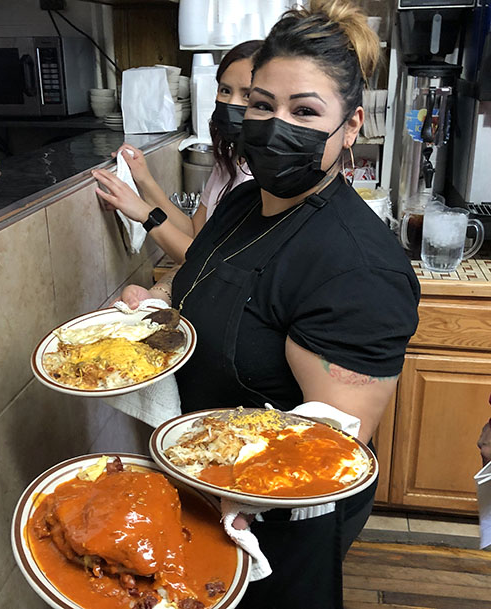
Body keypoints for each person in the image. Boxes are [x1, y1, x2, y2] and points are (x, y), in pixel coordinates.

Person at [118, 1, 420, 607]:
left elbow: (331, 445)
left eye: (304, 111)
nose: (275, 125)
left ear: (351, 126)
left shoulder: (357, 268)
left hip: (275, 519)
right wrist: (156, 303)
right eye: (261, 105)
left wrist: (239, 491)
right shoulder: (242, 202)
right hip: (201, 480)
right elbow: (199, 279)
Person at [93, 40, 261, 264]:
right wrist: (144, 180)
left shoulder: (261, 179)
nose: (231, 103)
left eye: (247, 95)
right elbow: (195, 233)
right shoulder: (229, 161)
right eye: (225, 90)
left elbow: (207, 263)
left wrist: (144, 214)